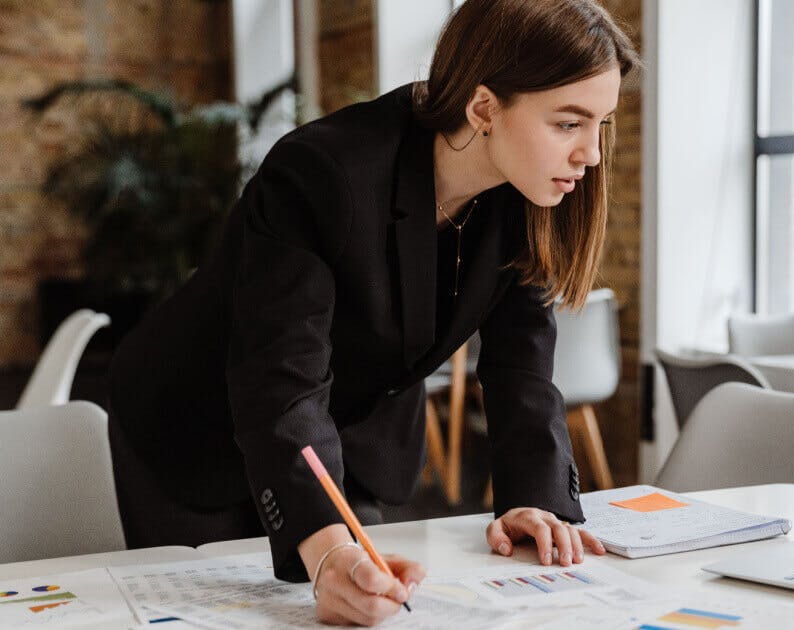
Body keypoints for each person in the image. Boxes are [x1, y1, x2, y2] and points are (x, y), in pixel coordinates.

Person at [105, 0, 641, 624]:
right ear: (485, 108)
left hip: (352, 449)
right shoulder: (321, 172)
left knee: (369, 607)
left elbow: (521, 367)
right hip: (196, 436)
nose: (591, 156)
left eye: (599, 125)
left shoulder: (528, 190)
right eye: (568, 124)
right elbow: (278, 379)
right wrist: (328, 550)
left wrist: (533, 501)